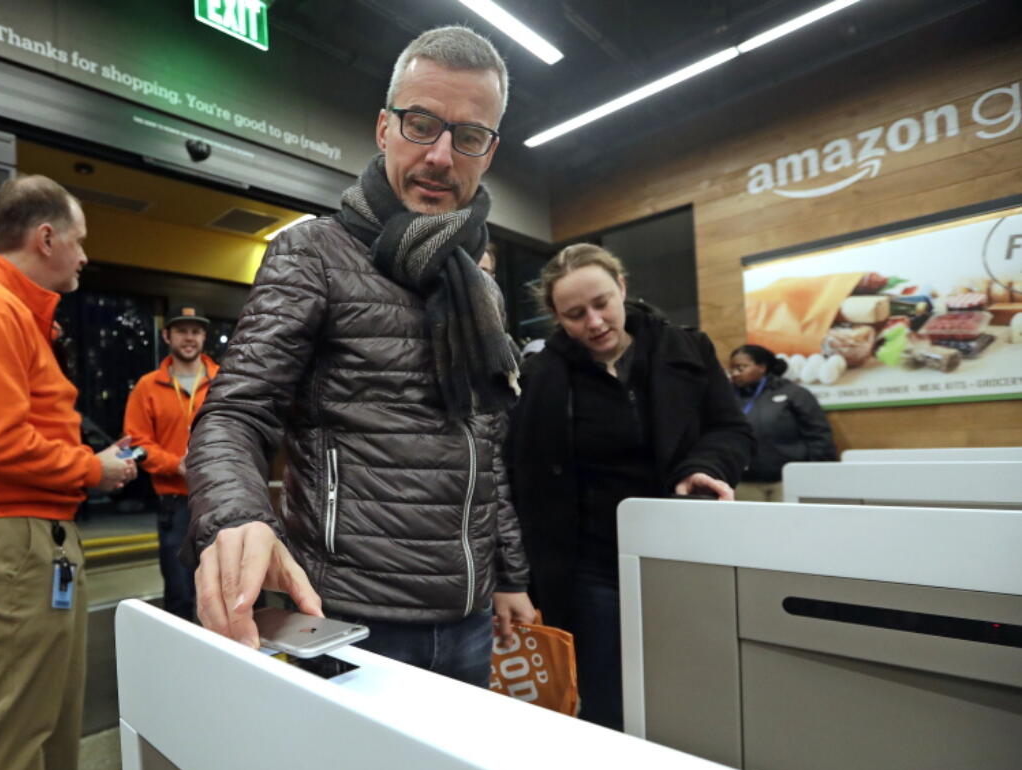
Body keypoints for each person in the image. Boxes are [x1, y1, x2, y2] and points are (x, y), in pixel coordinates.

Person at [184, 26, 535, 686]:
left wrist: (510, 575)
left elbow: (484, 448)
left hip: (470, 618)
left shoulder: (480, 288)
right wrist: (237, 519)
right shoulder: (313, 253)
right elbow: (233, 414)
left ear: (489, 152)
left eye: (467, 137)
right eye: (421, 124)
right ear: (383, 129)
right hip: (351, 621)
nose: (439, 155)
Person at [0, 174, 136, 770]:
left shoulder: (16, 314)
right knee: (13, 730)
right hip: (9, 542)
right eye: (79, 239)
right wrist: (92, 469)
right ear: (46, 238)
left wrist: (89, 459)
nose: (85, 255)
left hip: (34, 540)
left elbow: (17, 428)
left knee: (47, 719)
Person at [506, 243, 754, 729]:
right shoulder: (542, 376)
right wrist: (513, 576)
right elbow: (520, 472)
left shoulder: (687, 349)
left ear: (622, 288)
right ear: (556, 317)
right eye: (575, 315)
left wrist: (705, 466)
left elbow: (732, 430)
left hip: (680, 550)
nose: (594, 322)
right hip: (592, 564)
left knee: (691, 682)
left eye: (602, 303)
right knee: (605, 695)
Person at [123, 304, 219, 620]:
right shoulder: (147, 387)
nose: (189, 338)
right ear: (167, 335)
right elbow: (135, 445)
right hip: (175, 505)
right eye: (181, 331)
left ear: (204, 336)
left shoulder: (224, 382)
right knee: (179, 594)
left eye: (195, 331)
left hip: (220, 500)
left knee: (224, 591)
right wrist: (174, 465)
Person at [729, 344, 837, 501]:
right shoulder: (727, 398)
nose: (734, 374)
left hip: (788, 481)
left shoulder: (794, 393)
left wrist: (816, 474)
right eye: (731, 369)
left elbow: (818, 435)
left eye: (741, 367)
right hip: (744, 482)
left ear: (762, 367)